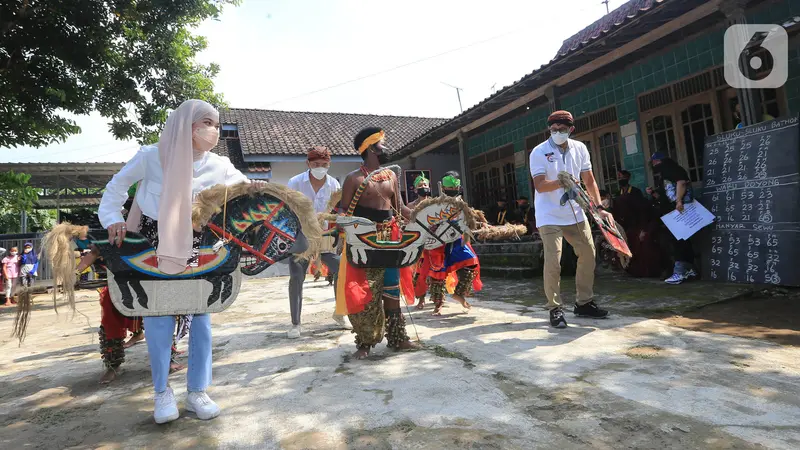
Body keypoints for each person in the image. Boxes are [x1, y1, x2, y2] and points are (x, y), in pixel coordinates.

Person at [97, 99, 250, 424]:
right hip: (154, 246)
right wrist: (113, 219)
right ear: (185, 124)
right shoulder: (152, 156)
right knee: (158, 319)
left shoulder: (220, 165)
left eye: (216, 123)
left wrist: (254, 190)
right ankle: (162, 392)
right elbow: (115, 189)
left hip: (202, 247)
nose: (214, 130)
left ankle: (197, 392)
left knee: (201, 319)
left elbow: (245, 189)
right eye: (206, 122)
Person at [335, 126, 419, 360]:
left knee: (392, 290)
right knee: (367, 293)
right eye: (382, 144)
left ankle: (397, 338)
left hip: (390, 238)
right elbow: (344, 211)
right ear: (371, 148)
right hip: (365, 241)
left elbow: (400, 209)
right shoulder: (354, 179)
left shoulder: (391, 175)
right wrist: (343, 227)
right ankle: (365, 343)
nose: (386, 148)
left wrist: (422, 221)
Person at [529, 110, 613, 328]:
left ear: (571, 130)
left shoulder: (580, 148)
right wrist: (563, 182)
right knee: (553, 261)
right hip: (549, 214)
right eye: (553, 129)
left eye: (562, 130)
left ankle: (584, 303)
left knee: (588, 253)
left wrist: (598, 208)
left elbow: (589, 180)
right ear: (549, 129)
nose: (557, 133)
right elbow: (540, 185)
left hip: (575, 212)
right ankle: (555, 308)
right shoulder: (539, 152)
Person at [286, 146, 351, 338]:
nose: (320, 167)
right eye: (316, 164)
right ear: (308, 164)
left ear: (329, 164)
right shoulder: (295, 182)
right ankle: (296, 323)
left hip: (325, 237)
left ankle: (340, 313)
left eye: (324, 164)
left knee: (341, 269)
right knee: (297, 277)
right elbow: (287, 210)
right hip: (301, 237)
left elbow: (338, 210)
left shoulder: (334, 185)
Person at [425, 171, 483, 315]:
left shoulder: (461, 204)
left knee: (471, 262)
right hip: (439, 243)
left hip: (457, 240)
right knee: (438, 274)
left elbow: (468, 220)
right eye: (449, 189)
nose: (452, 191)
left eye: (454, 189)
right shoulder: (435, 203)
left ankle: (460, 293)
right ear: (444, 189)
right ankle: (438, 304)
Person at [650, 152, 698, 284]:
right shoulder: (665, 172)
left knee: (679, 241)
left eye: (655, 162)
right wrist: (654, 193)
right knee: (682, 240)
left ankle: (680, 272)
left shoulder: (672, 169)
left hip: (680, 209)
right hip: (673, 210)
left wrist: (678, 201)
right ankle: (689, 269)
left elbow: (681, 183)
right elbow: (667, 192)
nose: (653, 165)